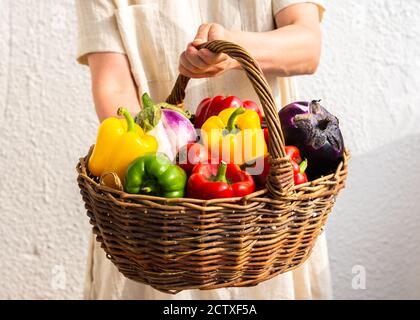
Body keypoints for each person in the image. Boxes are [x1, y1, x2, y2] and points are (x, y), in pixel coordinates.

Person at [76, 0, 330, 299]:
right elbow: (113, 86)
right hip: (158, 229)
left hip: (269, 222)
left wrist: (236, 50)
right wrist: (155, 166)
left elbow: (307, 46)